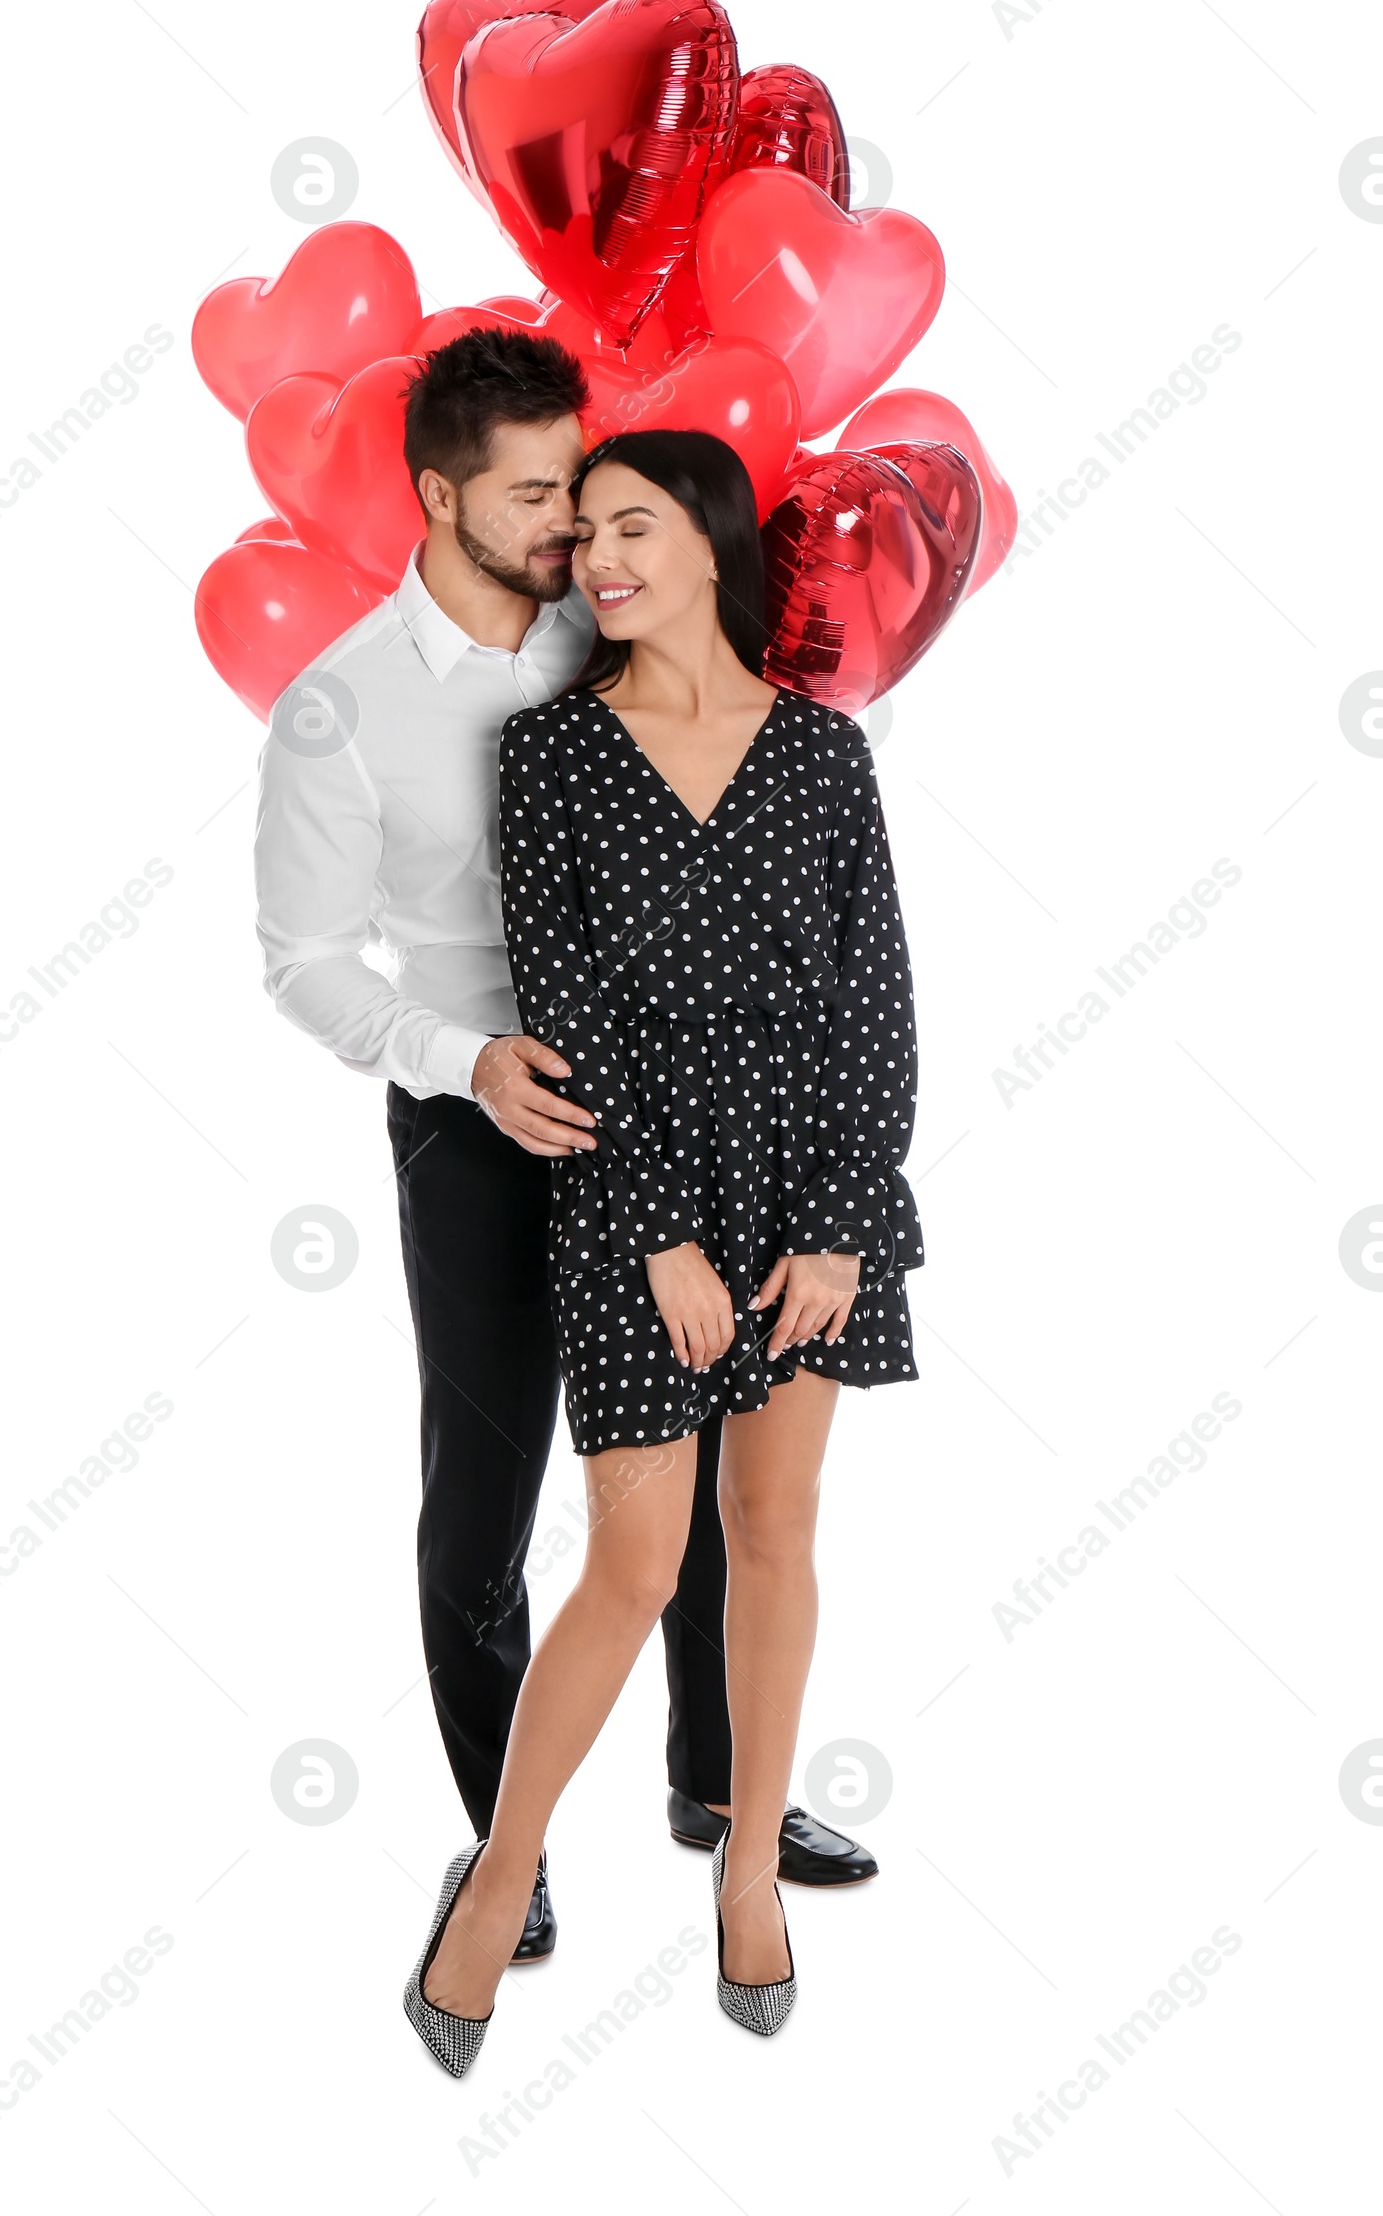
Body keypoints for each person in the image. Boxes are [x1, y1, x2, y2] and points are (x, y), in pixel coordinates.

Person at [254, 335, 871, 1974]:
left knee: (701, 1481)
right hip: (481, 1124)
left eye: (589, 494)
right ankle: (499, 1845)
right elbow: (305, 961)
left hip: (687, 1118)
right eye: (538, 495)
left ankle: (720, 1790)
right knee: (492, 1499)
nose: (571, 531)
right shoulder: (344, 708)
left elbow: (810, 926)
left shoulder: (618, 627)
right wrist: (462, 1061)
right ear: (439, 494)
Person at [404, 428, 922, 2071]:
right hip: (642, 1202)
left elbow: (876, 1005)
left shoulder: (824, 755)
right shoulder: (553, 756)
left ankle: (751, 1872)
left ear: (708, 542)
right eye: (583, 532)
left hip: (811, 1190)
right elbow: (567, 1015)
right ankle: (493, 1884)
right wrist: (658, 1241)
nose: (596, 556)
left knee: (774, 1531)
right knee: (634, 1567)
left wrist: (843, 1227)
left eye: (632, 526)